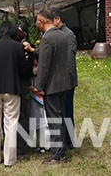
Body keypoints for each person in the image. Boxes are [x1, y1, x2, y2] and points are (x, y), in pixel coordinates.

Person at [0, 21, 30, 167]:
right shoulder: (18, 47)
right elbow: (24, 71)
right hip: (13, 89)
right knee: (11, 124)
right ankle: (10, 159)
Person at [30, 9, 75, 164]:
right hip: (64, 83)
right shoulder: (62, 35)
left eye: (37, 23)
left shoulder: (47, 39)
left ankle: (58, 154)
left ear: (42, 22)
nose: (37, 26)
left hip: (53, 85)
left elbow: (44, 65)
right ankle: (61, 151)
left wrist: (39, 86)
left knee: (54, 120)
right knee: (60, 118)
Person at [51, 8, 78, 150]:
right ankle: (64, 138)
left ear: (58, 19)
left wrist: (66, 80)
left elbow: (69, 61)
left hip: (67, 81)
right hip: (60, 80)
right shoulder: (58, 34)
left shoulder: (68, 35)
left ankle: (69, 140)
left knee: (67, 111)